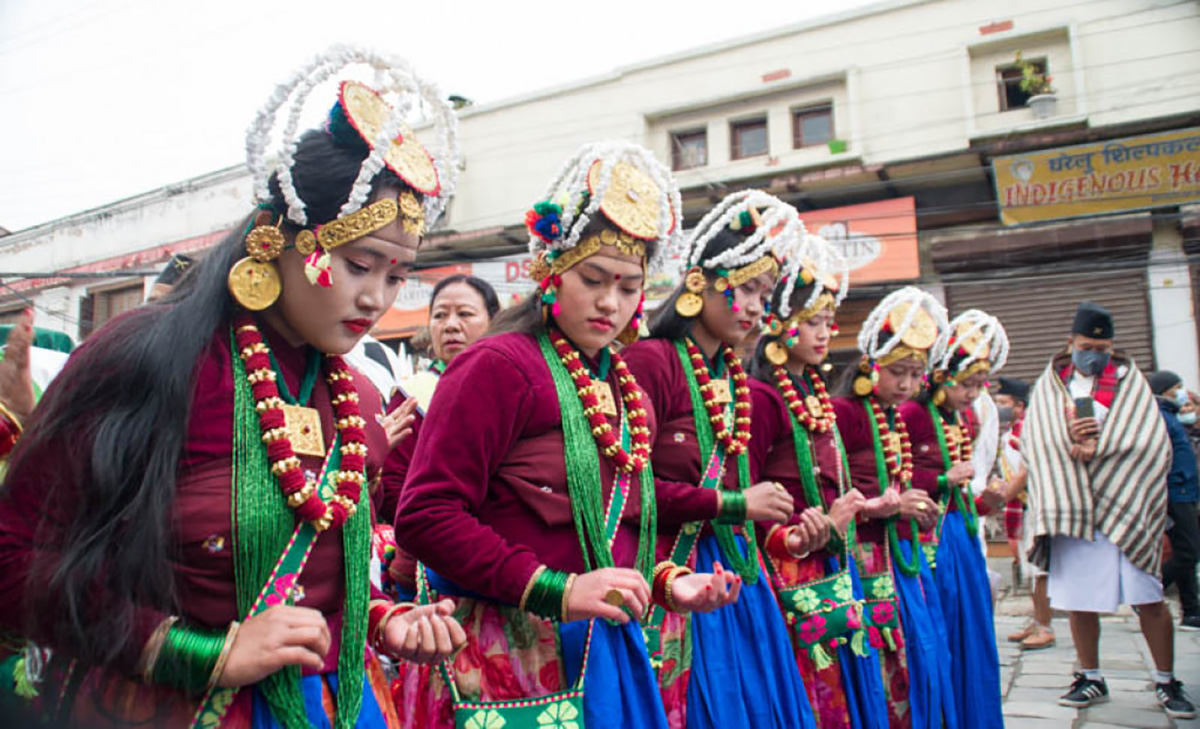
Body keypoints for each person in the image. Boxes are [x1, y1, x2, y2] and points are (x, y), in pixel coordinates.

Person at [0, 47, 468, 727]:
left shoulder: (358, 399)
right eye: (360, 263)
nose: (375, 296)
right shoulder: (146, 358)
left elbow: (323, 580)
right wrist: (202, 650)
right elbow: (14, 561)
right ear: (279, 239)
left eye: (396, 276)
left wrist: (384, 620)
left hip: (333, 702)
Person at [392, 141, 740, 729]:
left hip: (605, 645)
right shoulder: (497, 366)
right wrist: (557, 588)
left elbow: (625, 516)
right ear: (551, 272)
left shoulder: (622, 380)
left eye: (629, 287)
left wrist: (669, 581)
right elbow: (426, 515)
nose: (611, 302)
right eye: (593, 279)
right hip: (508, 652)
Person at [623, 190, 816, 729]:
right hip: (673, 579)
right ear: (698, 285)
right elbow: (628, 493)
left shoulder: (733, 377)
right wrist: (732, 503)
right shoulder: (649, 361)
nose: (757, 308)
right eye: (746, 289)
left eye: (765, 294)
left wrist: (779, 534)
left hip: (738, 578)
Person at [1024, 301, 1195, 718]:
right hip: (1073, 508)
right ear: (1071, 343)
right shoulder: (1050, 387)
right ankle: (1090, 676)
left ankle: (1166, 680)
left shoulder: (1129, 383)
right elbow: (1036, 442)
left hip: (1127, 504)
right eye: (1087, 345)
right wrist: (1069, 445)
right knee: (1079, 601)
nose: (1095, 354)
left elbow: (1150, 442)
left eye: (1103, 347)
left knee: (1148, 597)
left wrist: (1102, 447)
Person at [747, 230, 889, 729]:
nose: (825, 333)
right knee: (812, 692)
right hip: (788, 566)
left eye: (828, 322)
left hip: (830, 555)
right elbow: (750, 494)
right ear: (781, 327)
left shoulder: (812, 390)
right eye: (812, 323)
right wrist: (812, 529)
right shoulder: (763, 396)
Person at [834, 286, 955, 729]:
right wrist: (879, 508)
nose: (906, 384)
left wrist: (914, 506)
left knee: (917, 655)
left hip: (899, 554)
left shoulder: (891, 414)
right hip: (864, 559)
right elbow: (831, 494)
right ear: (870, 366)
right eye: (898, 371)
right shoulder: (843, 412)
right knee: (885, 664)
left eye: (915, 374)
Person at [901, 309, 1007, 729]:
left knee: (973, 635)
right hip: (931, 544)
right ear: (941, 376)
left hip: (960, 541)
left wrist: (985, 504)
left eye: (979, 385)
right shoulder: (912, 414)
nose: (971, 393)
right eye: (966, 384)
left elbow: (959, 494)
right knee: (944, 635)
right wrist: (944, 477)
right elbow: (899, 476)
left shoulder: (960, 419)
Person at [376, 274, 500, 525]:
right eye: (440, 315)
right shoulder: (413, 395)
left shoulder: (516, 388)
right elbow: (392, 484)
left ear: (494, 322)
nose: (450, 325)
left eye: (465, 314)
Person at [996, 377, 1057, 650]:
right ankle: (1037, 620)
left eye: (1003, 403)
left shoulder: (1029, 430)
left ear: (1019, 405)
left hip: (1033, 504)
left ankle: (1045, 626)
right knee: (1029, 566)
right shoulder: (1009, 432)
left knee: (1038, 568)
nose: (999, 407)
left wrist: (999, 497)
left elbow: (1025, 471)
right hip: (1019, 507)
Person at [1149, 370, 1200, 631]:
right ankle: (1149, 594)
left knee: (1185, 551)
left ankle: (1191, 611)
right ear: (1164, 390)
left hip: (1186, 490)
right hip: (1176, 491)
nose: (1182, 392)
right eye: (1177, 387)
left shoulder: (1171, 416)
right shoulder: (1160, 418)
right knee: (1189, 551)